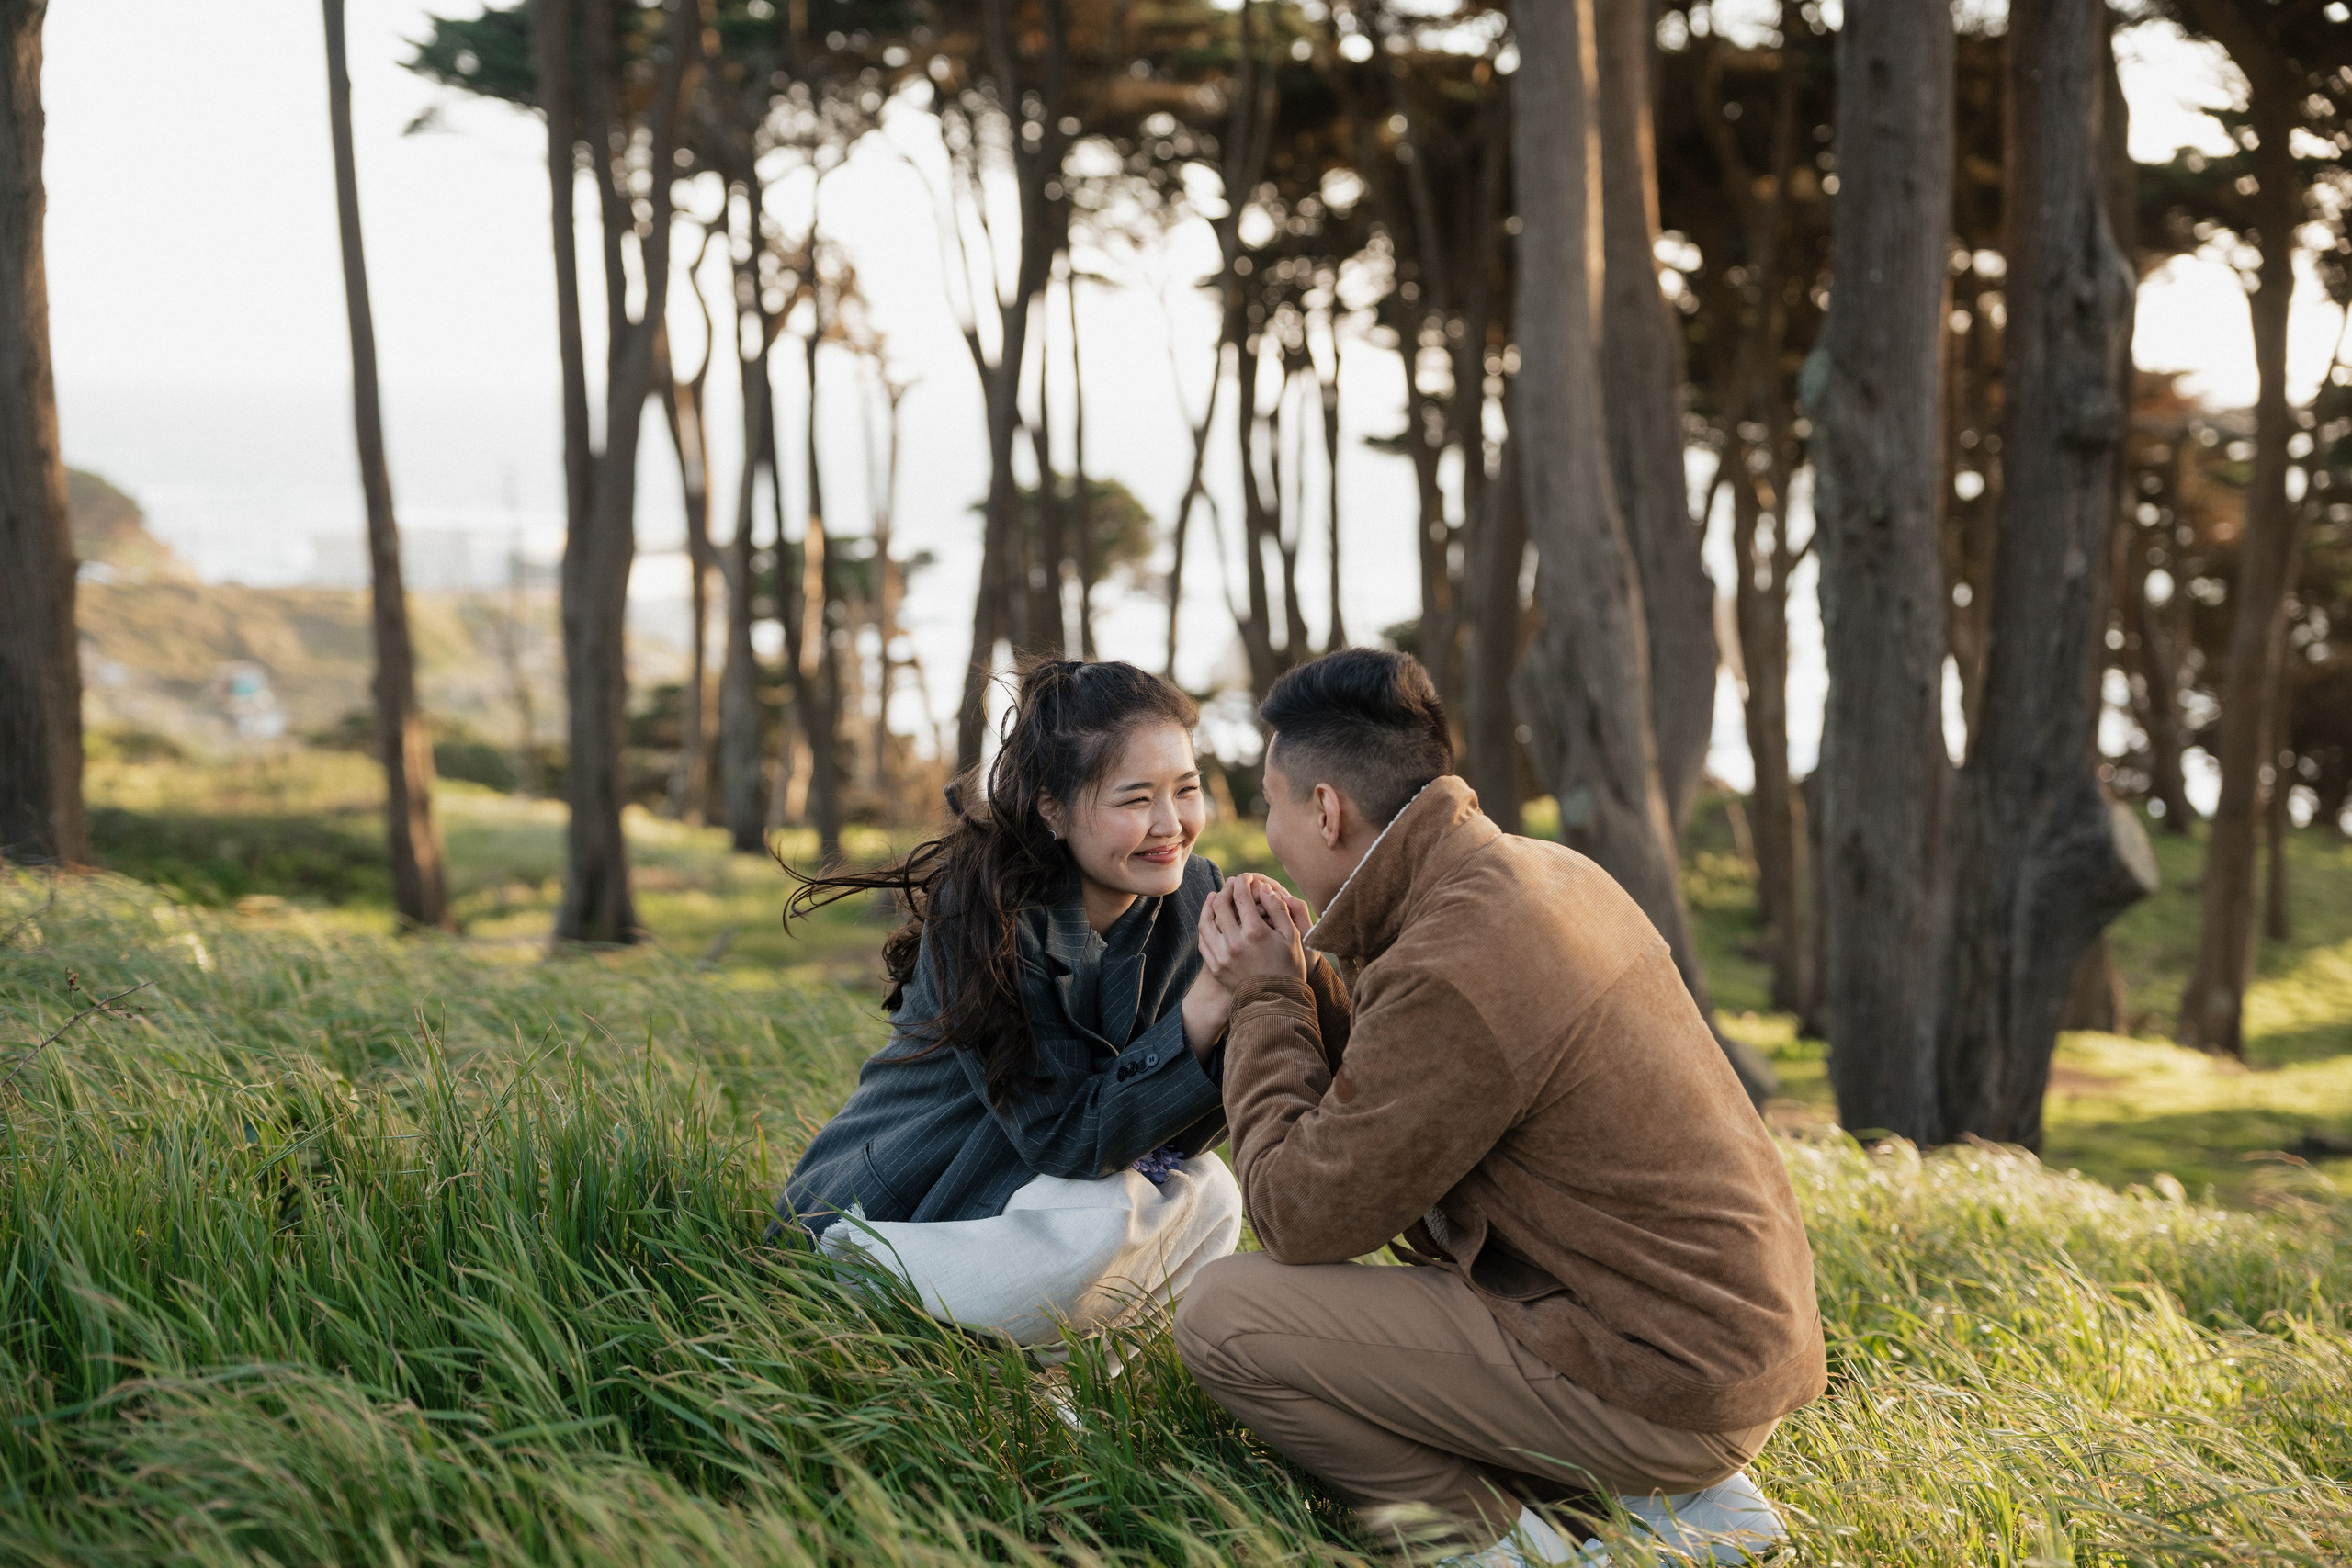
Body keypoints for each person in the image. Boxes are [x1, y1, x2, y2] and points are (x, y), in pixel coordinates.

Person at [1174, 649, 1824, 1566]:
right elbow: (1404, 1082)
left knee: (1224, 1318)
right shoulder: (1531, 874)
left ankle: (1509, 1550)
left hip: (1658, 1384)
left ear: (1325, 810)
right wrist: (1307, 976)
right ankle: (1687, 1510)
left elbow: (1297, 1215)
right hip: (1708, 1354)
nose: (1266, 834)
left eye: (1271, 804)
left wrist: (1266, 998)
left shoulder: (1455, 960)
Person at [778, 659, 1244, 1352]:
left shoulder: (1197, 897)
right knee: (1108, 1212)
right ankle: (860, 1278)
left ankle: (1060, 1374)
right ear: (1053, 809)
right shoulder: (989, 913)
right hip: (911, 1199)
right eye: (1134, 798)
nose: (1170, 823)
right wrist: (1205, 1011)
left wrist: (1265, 994)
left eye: (1187, 789)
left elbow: (1171, 1132)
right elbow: (1062, 1135)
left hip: (1038, 1198)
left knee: (1210, 1194)